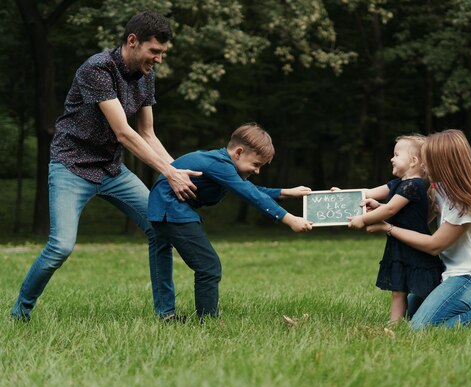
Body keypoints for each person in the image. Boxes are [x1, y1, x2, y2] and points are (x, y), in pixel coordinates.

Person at [11, 11, 201, 322]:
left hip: (111, 170)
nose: (159, 60)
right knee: (60, 247)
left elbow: (147, 132)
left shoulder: (147, 76)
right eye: (154, 51)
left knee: (159, 228)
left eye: (163, 53)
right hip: (71, 165)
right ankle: (20, 312)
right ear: (132, 41)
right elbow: (124, 133)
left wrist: (178, 170)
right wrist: (169, 174)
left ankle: (166, 314)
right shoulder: (97, 69)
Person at [148, 123, 313, 320]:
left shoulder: (221, 163)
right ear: (239, 152)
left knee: (162, 258)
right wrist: (289, 219)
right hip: (171, 209)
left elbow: (247, 188)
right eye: (256, 164)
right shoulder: (218, 164)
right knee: (208, 266)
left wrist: (286, 192)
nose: (257, 171)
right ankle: (207, 320)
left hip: (161, 208)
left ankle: (166, 315)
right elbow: (250, 193)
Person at [365, 129, 471, 330]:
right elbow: (418, 221)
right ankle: (463, 307)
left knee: (420, 328)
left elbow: (434, 245)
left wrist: (387, 228)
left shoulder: (469, 199)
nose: (423, 165)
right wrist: (381, 209)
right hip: (445, 271)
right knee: (410, 316)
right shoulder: (440, 187)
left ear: (442, 163)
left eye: (427, 161)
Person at [346, 136, 443, 324]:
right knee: (398, 291)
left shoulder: (414, 186)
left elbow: (390, 209)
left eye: (397, 154)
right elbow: (369, 192)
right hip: (399, 245)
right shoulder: (397, 184)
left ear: (413, 161)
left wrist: (363, 219)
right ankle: (394, 325)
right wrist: (341, 195)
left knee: (424, 287)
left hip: (415, 247)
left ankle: (442, 308)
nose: (392, 158)